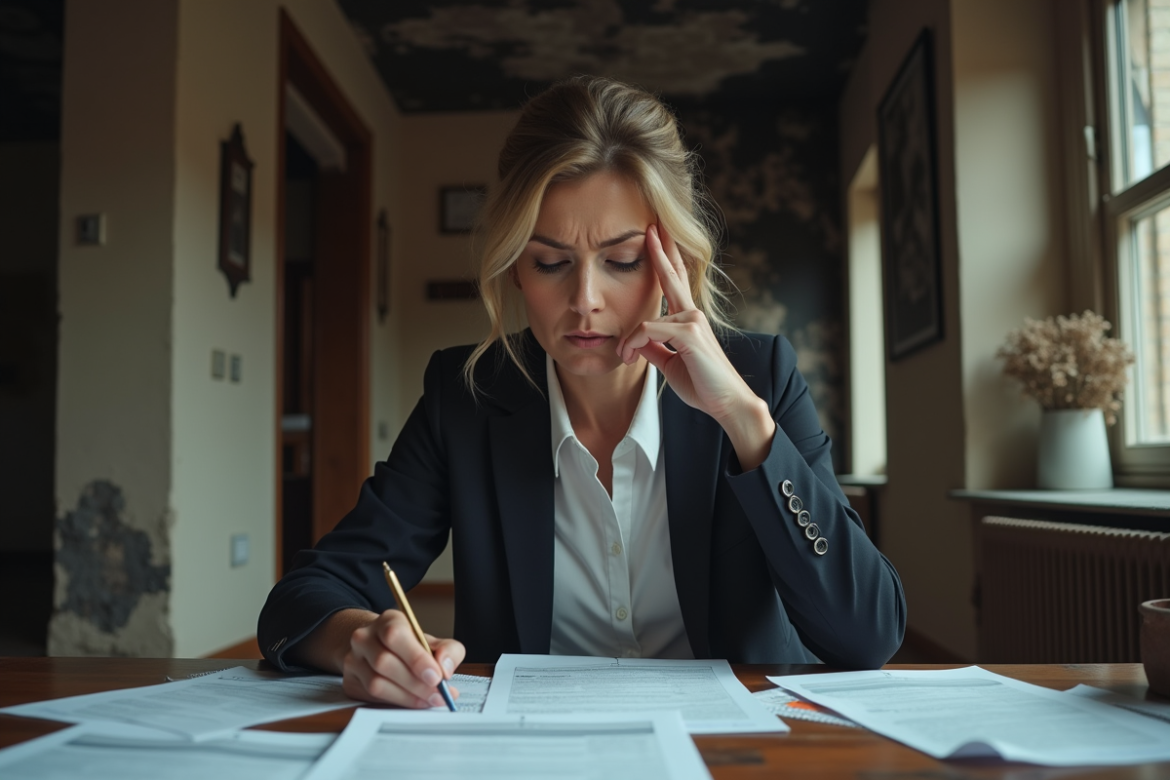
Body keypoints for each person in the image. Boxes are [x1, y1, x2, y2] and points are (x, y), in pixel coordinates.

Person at [258, 76, 905, 710]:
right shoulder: (467, 398)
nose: (585, 302)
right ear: (515, 264)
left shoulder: (758, 378)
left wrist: (744, 422)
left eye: (622, 260)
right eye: (550, 261)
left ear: (672, 260)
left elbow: (867, 634)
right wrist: (360, 644)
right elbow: (301, 598)